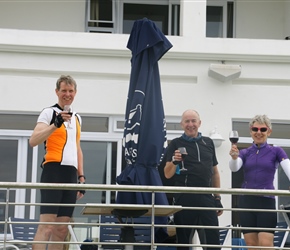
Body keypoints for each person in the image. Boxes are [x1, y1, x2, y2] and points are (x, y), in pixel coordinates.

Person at [29, 75, 85, 250]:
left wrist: (81, 176)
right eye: (63, 91)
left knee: (61, 229)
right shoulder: (49, 112)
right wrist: (55, 124)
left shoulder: (77, 117)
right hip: (53, 170)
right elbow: (33, 141)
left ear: (75, 92)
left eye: (70, 91)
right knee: (47, 226)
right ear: (57, 92)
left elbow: (77, 148)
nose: (67, 94)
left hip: (70, 174)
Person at [164, 109, 223, 250]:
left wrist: (217, 198)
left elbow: (215, 173)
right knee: (184, 243)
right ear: (181, 124)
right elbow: (167, 174)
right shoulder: (175, 143)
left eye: (193, 121)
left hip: (206, 199)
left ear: (199, 123)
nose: (190, 124)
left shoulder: (208, 142)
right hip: (184, 199)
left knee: (213, 243)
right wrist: (174, 162)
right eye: (187, 121)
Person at [229, 114, 290, 250]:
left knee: (266, 244)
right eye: (255, 129)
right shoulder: (245, 152)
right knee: (251, 245)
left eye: (263, 129)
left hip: (266, 200)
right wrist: (234, 157)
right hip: (246, 201)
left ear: (269, 131)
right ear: (251, 131)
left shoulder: (276, 151)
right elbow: (235, 168)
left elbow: (287, 165)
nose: (258, 132)